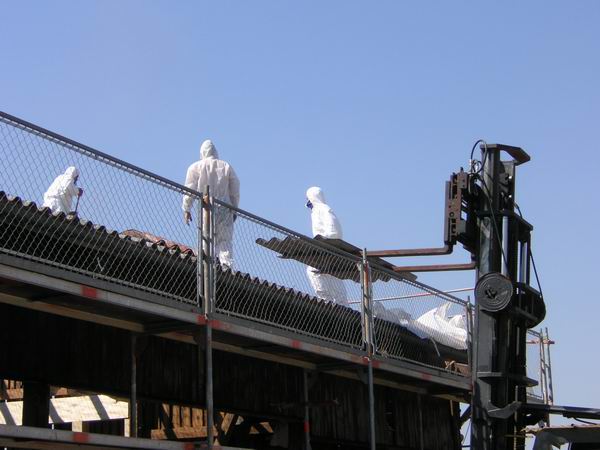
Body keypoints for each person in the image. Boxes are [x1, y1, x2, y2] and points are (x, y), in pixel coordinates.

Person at [182, 139, 240, 268]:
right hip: (225, 206)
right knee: (224, 240)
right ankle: (226, 267)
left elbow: (189, 189)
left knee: (207, 238)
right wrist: (234, 209)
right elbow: (235, 188)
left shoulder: (195, 167)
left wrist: (186, 209)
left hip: (206, 206)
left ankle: (207, 266)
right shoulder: (226, 166)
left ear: (202, 152)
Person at [305, 186, 348, 305]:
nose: (309, 206)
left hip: (328, 245)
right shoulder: (317, 211)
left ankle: (327, 299)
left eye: (309, 202)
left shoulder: (323, 209)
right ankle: (340, 302)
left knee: (313, 269)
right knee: (331, 273)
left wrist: (328, 239)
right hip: (325, 246)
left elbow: (335, 229)